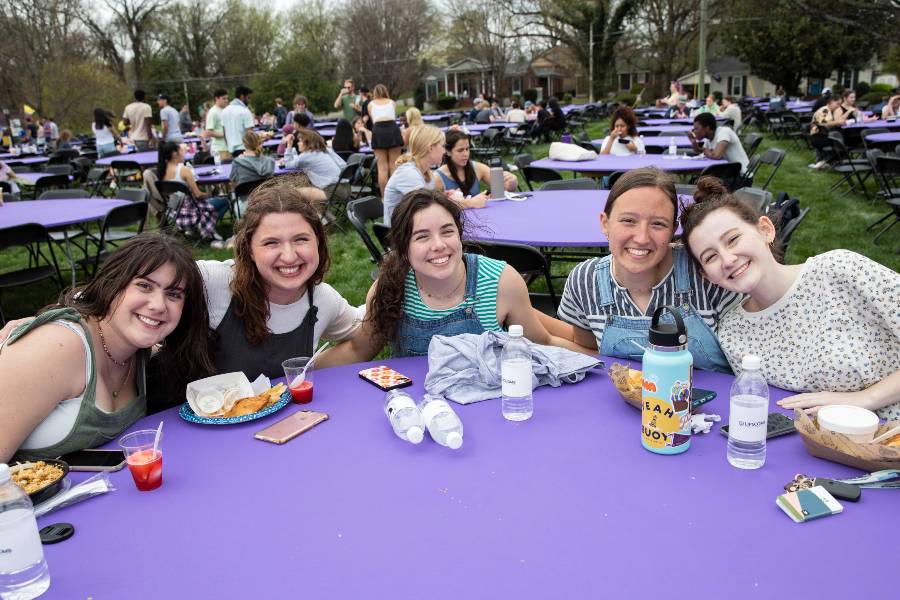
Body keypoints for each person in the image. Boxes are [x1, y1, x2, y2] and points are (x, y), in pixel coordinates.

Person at [680, 177, 900, 419]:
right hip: (829, 450)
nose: (728, 259)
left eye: (733, 240)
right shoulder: (733, 333)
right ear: (706, 275)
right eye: (710, 257)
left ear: (765, 229)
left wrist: (863, 399)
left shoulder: (840, 271)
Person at [0, 233, 215, 462]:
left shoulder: (139, 351)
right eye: (144, 286)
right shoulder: (56, 348)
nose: (158, 305)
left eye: (173, 294)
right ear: (113, 284)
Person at [319, 189, 593, 361]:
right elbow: (359, 350)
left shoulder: (501, 281)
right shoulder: (391, 288)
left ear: (460, 236)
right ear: (403, 248)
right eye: (422, 236)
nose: (438, 244)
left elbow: (542, 341)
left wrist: (602, 360)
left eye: (447, 231)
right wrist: (291, 376)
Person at [538, 167, 739, 373]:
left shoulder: (705, 272)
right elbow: (588, 347)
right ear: (605, 223)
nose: (642, 238)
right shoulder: (585, 281)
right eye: (628, 220)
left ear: (673, 229)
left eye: (658, 224)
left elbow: (748, 363)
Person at [197, 186, 362, 379]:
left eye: (300, 239)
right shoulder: (212, 281)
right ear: (249, 249)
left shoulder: (322, 299)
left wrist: (388, 285)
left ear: (318, 241)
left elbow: (363, 327)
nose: (290, 256)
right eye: (271, 243)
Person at [383, 125, 484, 226]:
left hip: (414, 227)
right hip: (399, 235)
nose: (444, 151)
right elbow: (427, 209)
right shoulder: (408, 173)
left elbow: (427, 199)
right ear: (430, 148)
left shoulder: (426, 173)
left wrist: (444, 195)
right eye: (442, 146)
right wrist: (470, 203)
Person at [158, 142, 226, 240]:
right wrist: (210, 194)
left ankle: (193, 229)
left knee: (211, 202)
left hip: (175, 213)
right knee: (224, 201)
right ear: (174, 154)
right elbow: (198, 195)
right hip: (192, 213)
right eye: (181, 151)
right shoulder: (183, 170)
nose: (184, 153)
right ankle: (205, 227)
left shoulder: (161, 172)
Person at [437, 129, 518, 201]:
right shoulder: (438, 178)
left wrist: (512, 181)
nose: (465, 154)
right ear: (447, 151)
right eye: (460, 150)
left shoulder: (477, 168)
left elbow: (502, 188)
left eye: (467, 149)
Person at [282, 128, 347, 200]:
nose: (298, 143)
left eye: (300, 141)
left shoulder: (307, 156)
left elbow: (288, 164)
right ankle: (322, 210)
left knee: (293, 192)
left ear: (307, 143)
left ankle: (318, 211)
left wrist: (289, 144)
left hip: (334, 192)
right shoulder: (325, 150)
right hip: (345, 187)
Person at [368, 84, 405, 197]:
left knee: (382, 167)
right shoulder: (392, 102)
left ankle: (385, 197)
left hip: (378, 130)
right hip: (392, 129)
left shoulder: (370, 104)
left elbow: (373, 118)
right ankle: (396, 195)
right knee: (394, 165)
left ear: (374, 93)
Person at [230, 131, 275, 204]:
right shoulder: (269, 161)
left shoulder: (237, 162)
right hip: (269, 202)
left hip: (246, 205)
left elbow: (233, 183)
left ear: (244, 144)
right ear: (259, 142)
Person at [808, 95, 848, 169]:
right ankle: (824, 163)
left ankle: (826, 162)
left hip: (819, 137)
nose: (838, 106)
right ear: (832, 102)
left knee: (842, 142)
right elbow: (823, 124)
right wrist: (838, 122)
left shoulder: (828, 110)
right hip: (817, 137)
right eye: (837, 104)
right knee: (841, 144)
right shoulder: (825, 110)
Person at [222, 85, 255, 154]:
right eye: (248, 98)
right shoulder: (245, 111)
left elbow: (224, 133)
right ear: (242, 97)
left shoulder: (225, 111)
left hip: (231, 150)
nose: (249, 100)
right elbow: (250, 133)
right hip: (245, 149)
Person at [201, 89, 229, 162]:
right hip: (219, 149)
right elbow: (208, 132)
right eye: (224, 98)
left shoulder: (226, 110)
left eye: (227, 98)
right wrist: (225, 134)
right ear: (216, 98)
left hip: (228, 147)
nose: (226, 100)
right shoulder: (212, 112)